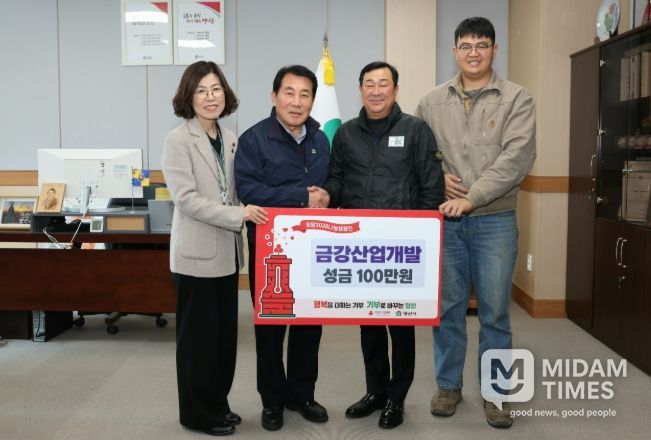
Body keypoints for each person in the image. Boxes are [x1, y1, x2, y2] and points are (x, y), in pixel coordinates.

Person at [414, 17, 536, 429]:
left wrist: (471, 197)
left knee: (495, 313)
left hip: (494, 219)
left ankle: (497, 393)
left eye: (481, 45)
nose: (473, 53)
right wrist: (437, 176)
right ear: (454, 51)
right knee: (446, 309)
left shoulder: (517, 98)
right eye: (465, 46)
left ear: (494, 50)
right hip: (445, 223)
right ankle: (448, 386)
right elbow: (420, 152)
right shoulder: (431, 102)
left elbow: (517, 158)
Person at [316, 61, 444, 429]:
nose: (376, 90)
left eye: (383, 83)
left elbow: (431, 186)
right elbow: (337, 179)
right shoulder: (346, 134)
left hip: (402, 246)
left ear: (395, 90)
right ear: (360, 90)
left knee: (400, 325)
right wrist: (326, 196)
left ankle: (396, 398)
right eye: (369, 84)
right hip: (361, 247)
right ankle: (375, 391)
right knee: (368, 322)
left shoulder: (416, 130)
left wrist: (420, 234)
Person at [161, 61, 268, 437]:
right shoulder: (178, 140)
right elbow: (186, 200)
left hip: (227, 255)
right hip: (195, 257)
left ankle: (218, 405)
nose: (210, 97)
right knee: (198, 343)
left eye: (216, 89)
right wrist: (239, 214)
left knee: (223, 341)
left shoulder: (231, 138)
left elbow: (238, 190)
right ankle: (197, 414)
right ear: (188, 97)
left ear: (226, 94)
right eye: (201, 91)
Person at [234, 65, 331, 431]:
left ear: (312, 101)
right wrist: (300, 197)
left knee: (309, 324)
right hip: (270, 247)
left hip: (313, 248)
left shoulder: (321, 139)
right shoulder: (254, 139)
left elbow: (329, 185)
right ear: (274, 96)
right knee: (271, 328)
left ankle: (301, 395)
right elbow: (249, 191)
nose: (296, 101)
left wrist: (327, 195)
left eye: (305, 94)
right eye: (289, 93)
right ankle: (272, 400)